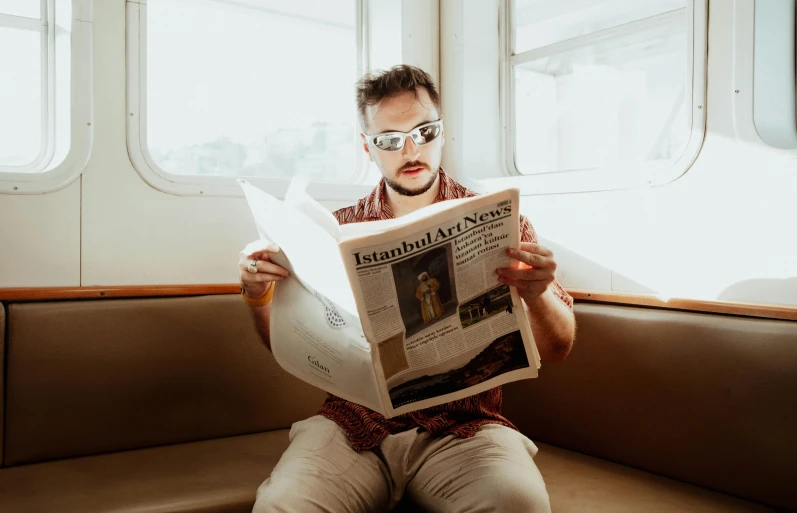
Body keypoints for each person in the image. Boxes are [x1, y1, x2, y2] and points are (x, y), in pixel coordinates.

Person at [238, 65, 575, 513]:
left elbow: (558, 348)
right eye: (390, 140)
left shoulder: (501, 223)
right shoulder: (337, 231)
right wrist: (257, 296)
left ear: (441, 132)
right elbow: (285, 343)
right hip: (354, 426)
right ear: (368, 148)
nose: (411, 149)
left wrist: (538, 293)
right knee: (283, 506)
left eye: (424, 131)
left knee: (519, 504)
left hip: (464, 428)